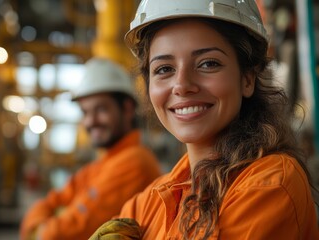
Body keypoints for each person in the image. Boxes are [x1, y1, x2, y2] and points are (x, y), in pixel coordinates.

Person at [89, 0, 319, 239]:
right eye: (164, 69)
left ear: (247, 79)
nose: (182, 85)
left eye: (208, 63)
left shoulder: (269, 185)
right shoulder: (154, 200)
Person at [20, 57, 162, 240]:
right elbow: (48, 202)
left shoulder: (134, 162)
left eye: (101, 110)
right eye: (85, 112)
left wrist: (42, 228)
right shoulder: (103, 164)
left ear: (127, 109)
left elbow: (62, 234)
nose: (90, 121)